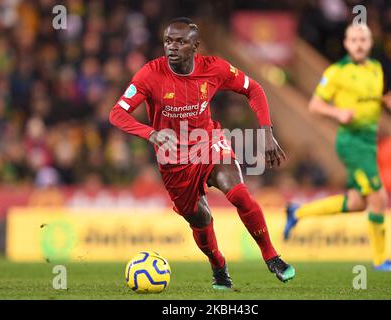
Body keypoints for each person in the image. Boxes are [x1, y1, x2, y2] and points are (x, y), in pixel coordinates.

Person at [109, 17, 295, 290]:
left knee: (238, 193)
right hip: (173, 162)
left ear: (196, 46)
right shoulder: (150, 74)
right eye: (168, 41)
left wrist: (266, 132)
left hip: (208, 142)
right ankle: (219, 265)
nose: (172, 47)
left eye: (180, 42)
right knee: (201, 219)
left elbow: (253, 88)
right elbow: (117, 113)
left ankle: (272, 256)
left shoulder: (214, 68)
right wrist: (151, 133)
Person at [284, 23, 391, 272]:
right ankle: (380, 261)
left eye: (363, 39)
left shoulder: (376, 68)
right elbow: (315, 106)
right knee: (379, 197)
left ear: (370, 43)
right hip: (351, 142)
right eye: (354, 40)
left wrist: (388, 101)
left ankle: (298, 212)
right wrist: (338, 112)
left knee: (357, 203)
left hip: (369, 141)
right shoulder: (336, 72)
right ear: (346, 44)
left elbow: (376, 96)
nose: (359, 44)